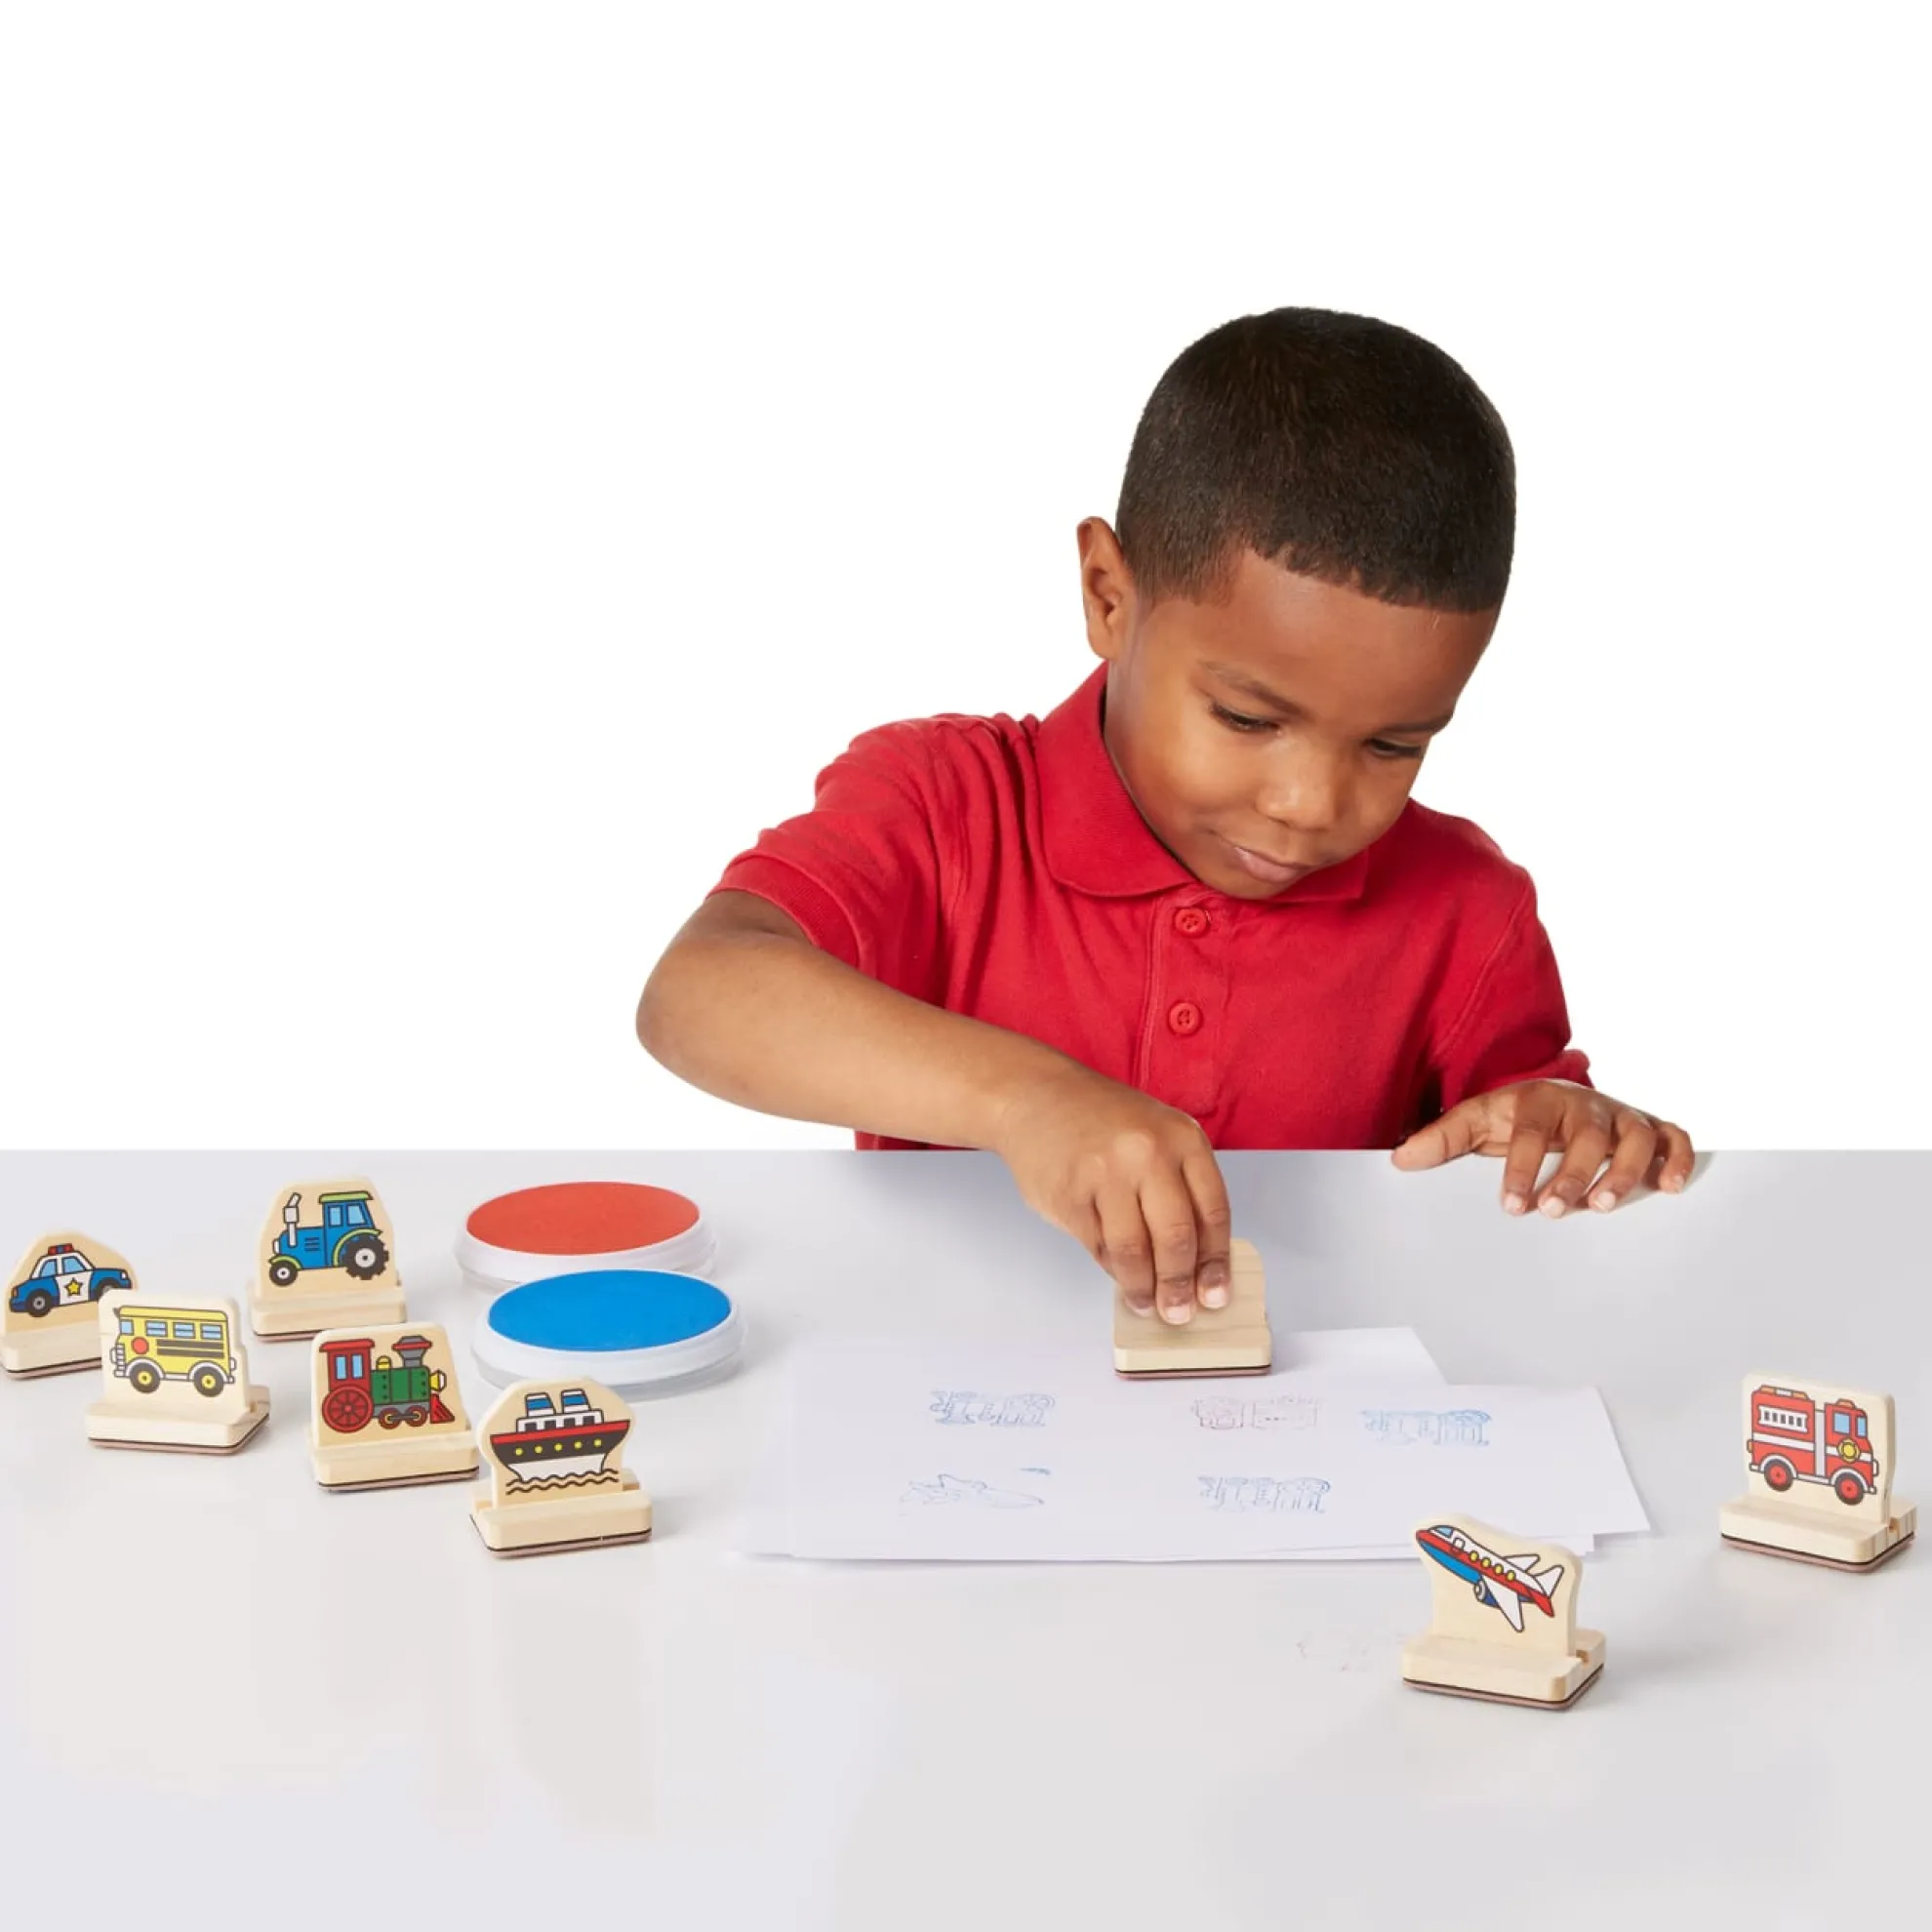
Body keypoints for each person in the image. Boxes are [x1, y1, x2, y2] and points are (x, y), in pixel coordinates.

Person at [638, 306, 1693, 1325]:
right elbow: (696, 992)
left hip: (1304, 1425)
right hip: (962, 1407)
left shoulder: (1468, 912)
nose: (1309, 805)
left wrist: (1571, 1139)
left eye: (1393, 745)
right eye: (1247, 718)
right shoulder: (944, 805)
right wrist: (1026, 1100)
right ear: (1109, 595)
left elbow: (1532, 1162)